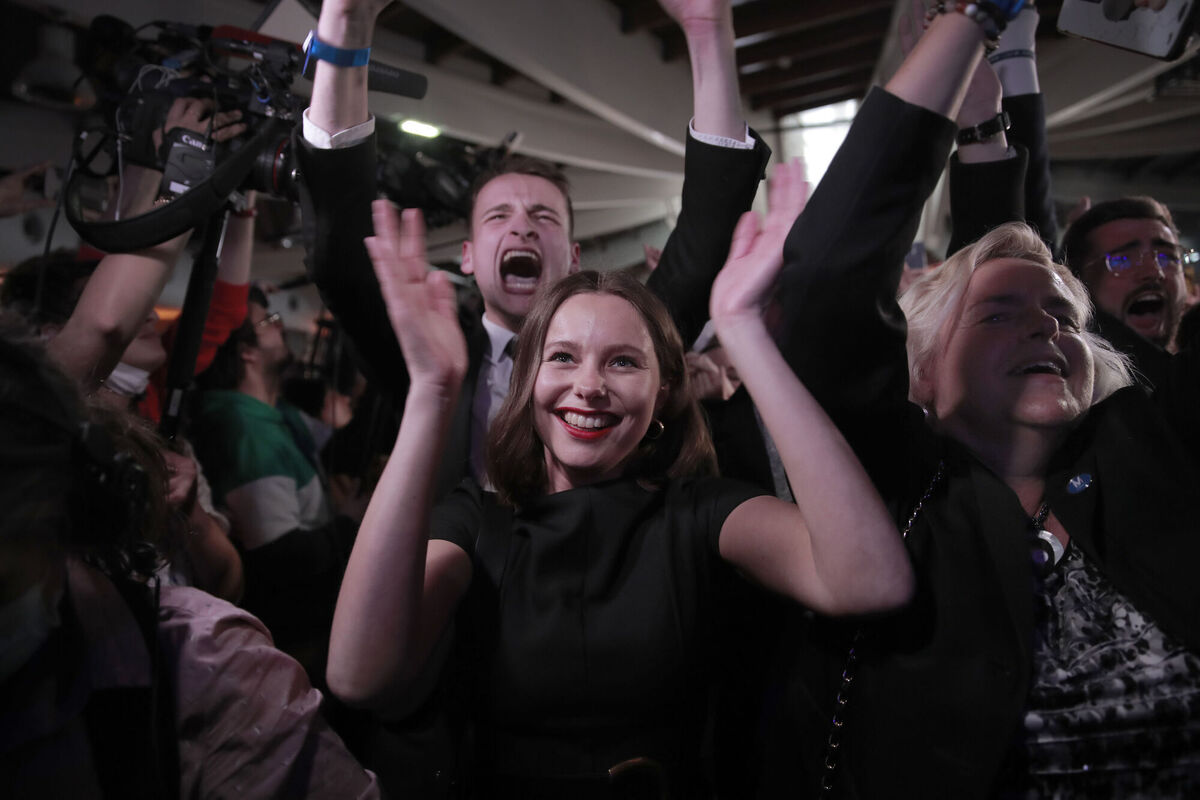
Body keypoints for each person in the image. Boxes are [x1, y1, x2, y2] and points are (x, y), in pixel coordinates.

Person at [326, 155, 913, 796]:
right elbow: (360, 675)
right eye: (562, 357)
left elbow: (870, 580)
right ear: (528, 383)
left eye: (623, 362)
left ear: (662, 393)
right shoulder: (476, 522)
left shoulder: (701, 513)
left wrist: (744, 333)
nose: (589, 386)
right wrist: (432, 392)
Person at [762, 8, 1200, 796]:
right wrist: (972, 22)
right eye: (998, 317)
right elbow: (828, 282)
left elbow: (1021, 268)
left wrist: (992, 132)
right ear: (920, 374)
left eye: (1065, 318)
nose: (1044, 326)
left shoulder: (1147, 447)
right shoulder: (890, 487)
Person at [297, 0, 771, 500]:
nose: (521, 227)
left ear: (572, 257)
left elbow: (703, 241)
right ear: (468, 256)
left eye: (543, 218)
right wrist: (345, 29)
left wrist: (709, 30)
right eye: (498, 217)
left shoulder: (632, 343)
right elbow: (340, 258)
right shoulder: (431, 354)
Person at [0, 319, 378, 799]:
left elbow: (230, 579)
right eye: (270, 321)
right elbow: (281, 557)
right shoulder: (242, 424)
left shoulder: (210, 666)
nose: (151, 321)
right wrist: (348, 524)